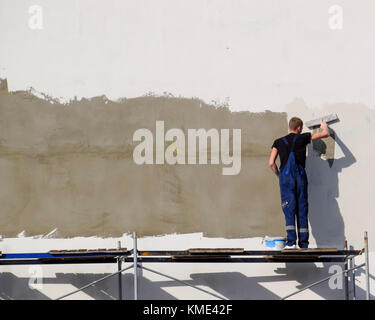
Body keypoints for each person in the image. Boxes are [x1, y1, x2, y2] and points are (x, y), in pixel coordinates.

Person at [269, 117, 330, 249]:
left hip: (286, 178)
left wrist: (279, 175)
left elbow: (271, 163)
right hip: (300, 176)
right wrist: (323, 125)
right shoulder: (303, 138)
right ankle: (303, 244)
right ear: (299, 128)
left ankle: (291, 243)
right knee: (302, 209)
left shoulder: (278, 142)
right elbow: (326, 134)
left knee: (289, 209)